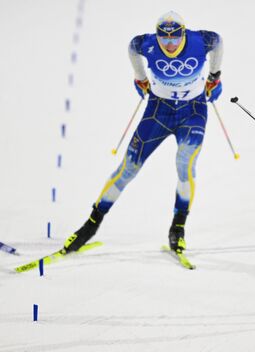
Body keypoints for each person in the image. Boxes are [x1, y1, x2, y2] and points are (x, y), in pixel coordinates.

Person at [63, 11, 223, 255]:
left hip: (193, 112)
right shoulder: (146, 44)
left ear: (183, 33)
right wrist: (140, 77)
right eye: (164, 38)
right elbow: (132, 47)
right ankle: (91, 225)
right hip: (158, 111)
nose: (169, 44)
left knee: (185, 166)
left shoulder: (200, 41)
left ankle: (178, 227)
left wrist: (215, 75)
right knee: (128, 168)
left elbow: (218, 41)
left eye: (175, 38)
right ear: (157, 36)